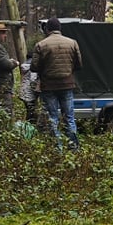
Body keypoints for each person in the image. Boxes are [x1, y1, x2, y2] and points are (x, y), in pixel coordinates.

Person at [31, 17, 83, 150]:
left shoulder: (41, 45)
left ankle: (58, 148)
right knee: (69, 118)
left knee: (53, 118)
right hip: (67, 84)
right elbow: (79, 65)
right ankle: (74, 147)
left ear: (47, 29)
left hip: (48, 86)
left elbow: (34, 67)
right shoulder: (72, 43)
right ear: (60, 29)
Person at [18, 58, 39, 124]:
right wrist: (38, 90)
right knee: (31, 112)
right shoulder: (32, 68)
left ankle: (28, 126)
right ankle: (30, 126)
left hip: (24, 91)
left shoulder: (25, 67)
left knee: (29, 110)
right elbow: (33, 81)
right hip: (30, 93)